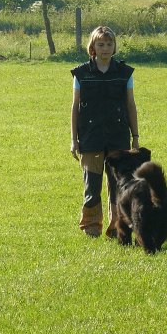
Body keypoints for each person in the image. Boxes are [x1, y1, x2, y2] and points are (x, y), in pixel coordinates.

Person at [70, 26, 140, 237]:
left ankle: (116, 227)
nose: (106, 49)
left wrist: (135, 138)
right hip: (90, 137)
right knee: (91, 185)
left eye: (109, 44)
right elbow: (75, 107)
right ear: (93, 47)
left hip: (118, 137)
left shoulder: (124, 73)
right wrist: (74, 140)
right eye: (101, 44)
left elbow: (131, 105)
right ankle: (91, 226)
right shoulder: (81, 74)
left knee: (118, 185)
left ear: (114, 47)